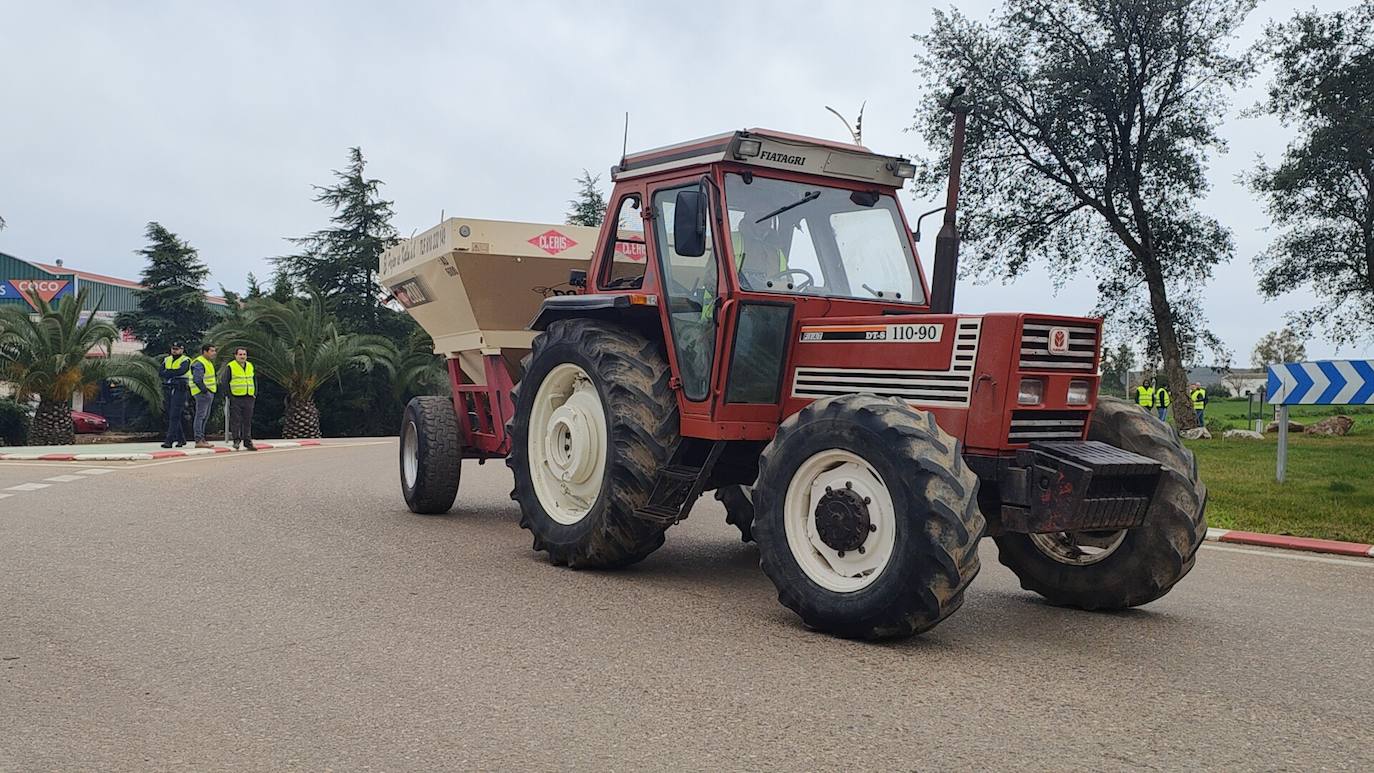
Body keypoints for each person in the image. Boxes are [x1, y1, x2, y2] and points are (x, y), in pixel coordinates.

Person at [159, 343, 191, 448]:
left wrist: (169, 372)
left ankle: (169, 440)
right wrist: (172, 372)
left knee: (174, 415)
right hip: (168, 388)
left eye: (177, 349)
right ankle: (181, 439)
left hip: (180, 388)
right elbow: (161, 372)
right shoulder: (167, 359)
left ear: (182, 350)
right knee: (172, 415)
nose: (174, 351)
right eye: (173, 349)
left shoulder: (186, 360)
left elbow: (182, 371)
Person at [225, 347, 257, 451]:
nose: (242, 356)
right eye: (240, 354)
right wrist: (230, 396)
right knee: (236, 420)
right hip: (236, 397)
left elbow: (254, 380)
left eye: (244, 354)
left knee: (247, 420)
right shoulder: (231, 366)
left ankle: (248, 441)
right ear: (235, 355)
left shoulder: (250, 366)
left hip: (249, 397)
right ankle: (236, 441)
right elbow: (225, 382)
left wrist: (254, 393)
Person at [190, 344, 218, 448]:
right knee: (200, 416)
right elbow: (197, 379)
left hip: (208, 392)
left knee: (205, 417)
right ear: (205, 352)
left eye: (214, 351)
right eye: (212, 351)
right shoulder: (199, 363)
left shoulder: (208, 362)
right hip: (202, 393)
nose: (214, 353)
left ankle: (202, 439)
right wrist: (205, 391)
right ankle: (198, 440)